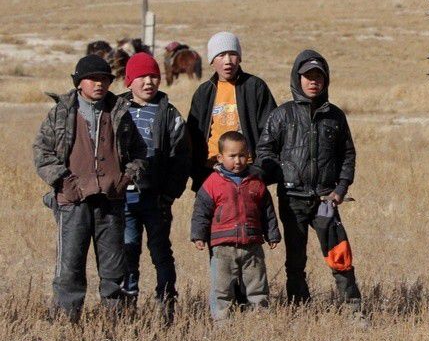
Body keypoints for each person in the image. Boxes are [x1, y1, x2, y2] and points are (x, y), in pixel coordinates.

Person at [32, 55, 146, 321]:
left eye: (104, 79)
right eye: (93, 79)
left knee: (114, 268)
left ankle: (116, 325)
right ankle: (65, 323)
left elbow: (139, 151)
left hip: (111, 200)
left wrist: (127, 176)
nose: (99, 84)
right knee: (69, 268)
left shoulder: (119, 112)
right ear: (79, 82)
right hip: (72, 202)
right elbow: (42, 151)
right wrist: (63, 182)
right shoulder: (61, 112)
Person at [256, 50, 361, 314]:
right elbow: (264, 152)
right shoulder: (281, 115)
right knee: (295, 258)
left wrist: (340, 189)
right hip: (293, 200)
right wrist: (284, 172)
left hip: (326, 199)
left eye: (318, 77)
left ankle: (354, 308)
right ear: (297, 78)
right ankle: (299, 307)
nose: (313, 82)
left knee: (340, 254)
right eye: (307, 77)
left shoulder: (335, 117)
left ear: (326, 81)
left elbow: (347, 155)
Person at [119, 52, 190, 319]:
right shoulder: (117, 111)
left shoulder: (168, 114)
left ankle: (166, 303)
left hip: (157, 198)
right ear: (129, 81)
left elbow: (180, 157)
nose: (149, 82)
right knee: (128, 251)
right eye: (141, 77)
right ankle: (127, 307)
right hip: (124, 198)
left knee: (161, 251)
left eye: (153, 76)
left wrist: (170, 194)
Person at [190, 131, 280, 322]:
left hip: (252, 244)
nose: (237, 161)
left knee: (257, 284)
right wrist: (199, 235)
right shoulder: (212, 183)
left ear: (249, 156)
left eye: (242, 155)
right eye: (232, 156)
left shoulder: (256, 182)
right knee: (222, 286)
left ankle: (260, 317)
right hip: (223, 246)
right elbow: (201, 212)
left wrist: (272, 234)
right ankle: (222, 320)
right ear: (220, 157)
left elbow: (267, 211)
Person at [186, 32, 276, 192]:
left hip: (247, 171)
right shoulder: (203, 93)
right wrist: (197, 172)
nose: (228, 61)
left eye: (233, 54)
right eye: (221, 55)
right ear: (211, 60)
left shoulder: (255, 87)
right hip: (211, 170)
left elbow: (271, 132)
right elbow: (192, 137)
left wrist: (260, 169)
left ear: (240, 58)